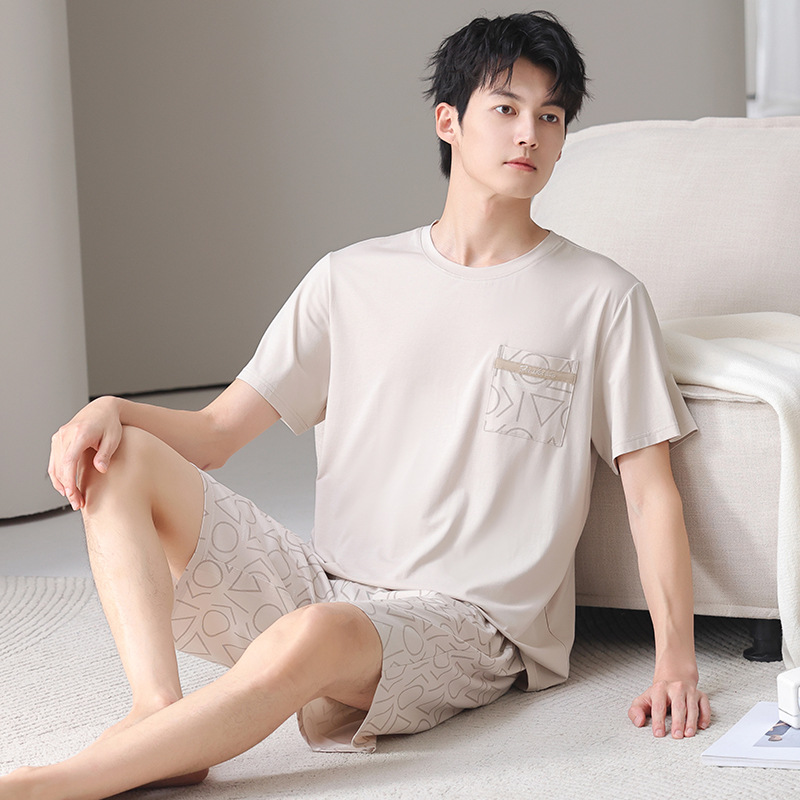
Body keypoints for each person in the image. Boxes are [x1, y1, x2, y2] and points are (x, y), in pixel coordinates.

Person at [1, 11, 711, 799]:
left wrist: (675, 661)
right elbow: (214, 433)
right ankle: (157, 716)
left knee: (315, 633)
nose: (529, 134)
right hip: (326, 581)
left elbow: (651, 493)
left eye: (550, 116)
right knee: (120, 454)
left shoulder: (603, 298)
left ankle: (46, 788)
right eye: (506, 108)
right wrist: (110, 409)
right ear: (448, 121)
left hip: (473, 622)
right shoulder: (349, 279)